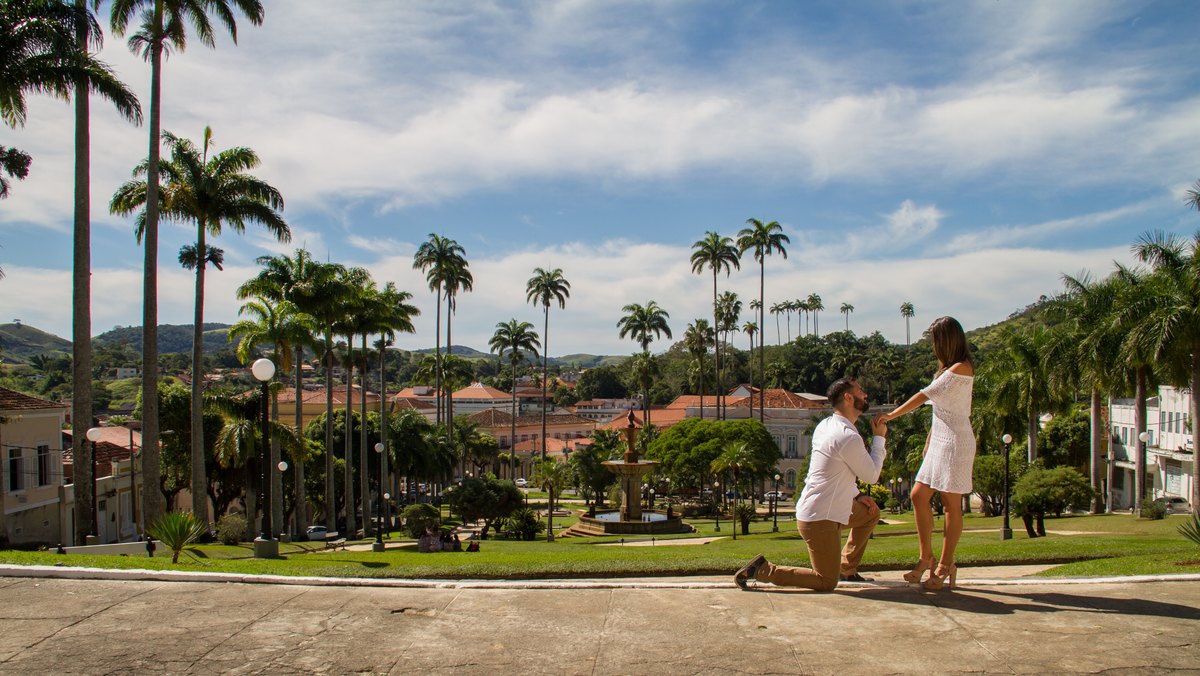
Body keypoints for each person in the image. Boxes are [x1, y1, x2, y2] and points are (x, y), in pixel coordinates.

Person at [734, 377, 887, 592]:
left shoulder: (826, 425)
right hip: (820, 518)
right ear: (848, 397)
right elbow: (871, 475)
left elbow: (832, 472)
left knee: (870, 513)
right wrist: (879, 439)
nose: (866, 395)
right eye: (861, 391)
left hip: (832, 508)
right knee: (825, 581)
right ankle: (764, 570)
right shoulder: (846, 436)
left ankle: (846, 569)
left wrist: (858, 496)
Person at [877, 316, 975, 591]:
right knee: (918, 495)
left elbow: (924, 396)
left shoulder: (961, 368)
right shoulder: (946, 370)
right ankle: (926, 557)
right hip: (941, 439)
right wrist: (930, 440)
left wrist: (891, 415)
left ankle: (945, 564)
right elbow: (939, 410)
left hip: (956, 441)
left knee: (950, 504)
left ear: (946, 340)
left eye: (935, 340)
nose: (933, 346)